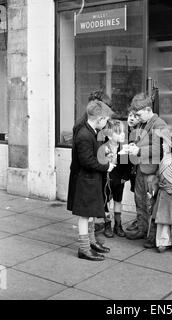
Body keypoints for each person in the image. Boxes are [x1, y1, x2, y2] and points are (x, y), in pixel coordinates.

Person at [67, 100, 115, 261]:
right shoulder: (84, 134)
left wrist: (104, 154)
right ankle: (84, 248)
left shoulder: (91, 131)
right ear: (100, 119)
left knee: (91, 213)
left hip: (89, 180)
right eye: (106, 120)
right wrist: (106, 166)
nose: (107, 122)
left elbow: (91, 156)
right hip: (84, 181)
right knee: (84, 215)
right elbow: (86, 161)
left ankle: (92, 242)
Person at [126, 93, 167, 248]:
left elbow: (159, 149)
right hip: (142, 168)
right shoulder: (144, 123)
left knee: (151, 204)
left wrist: (137, 151)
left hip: (151, 171)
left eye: (138, 114)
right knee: (140, 200)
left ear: (148, 109)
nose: (136, 117)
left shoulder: (159, 124)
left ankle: (152, 235)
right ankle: (142, 229)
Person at [100, 120, 132, 238]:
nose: (122, 135)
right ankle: (107, 224)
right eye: (118, 133)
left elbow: (126, 166)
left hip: (119, 180)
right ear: (109, 135)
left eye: (123, 132)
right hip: (106, 180)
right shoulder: (103, 148)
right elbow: (100, 164)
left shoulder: (123, 148)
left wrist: (124, 178)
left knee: (118, 201)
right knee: (105, 202)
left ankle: (118, 225)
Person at [125, 109, 140, 232]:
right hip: (130, 169)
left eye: (135, 116)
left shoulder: (139, 132)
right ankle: (139, 218)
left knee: (140, 196)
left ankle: (140, 220)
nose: (131, 118)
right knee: (136, 195)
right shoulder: (125, 131)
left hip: (138, 168)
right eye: (130, 115)